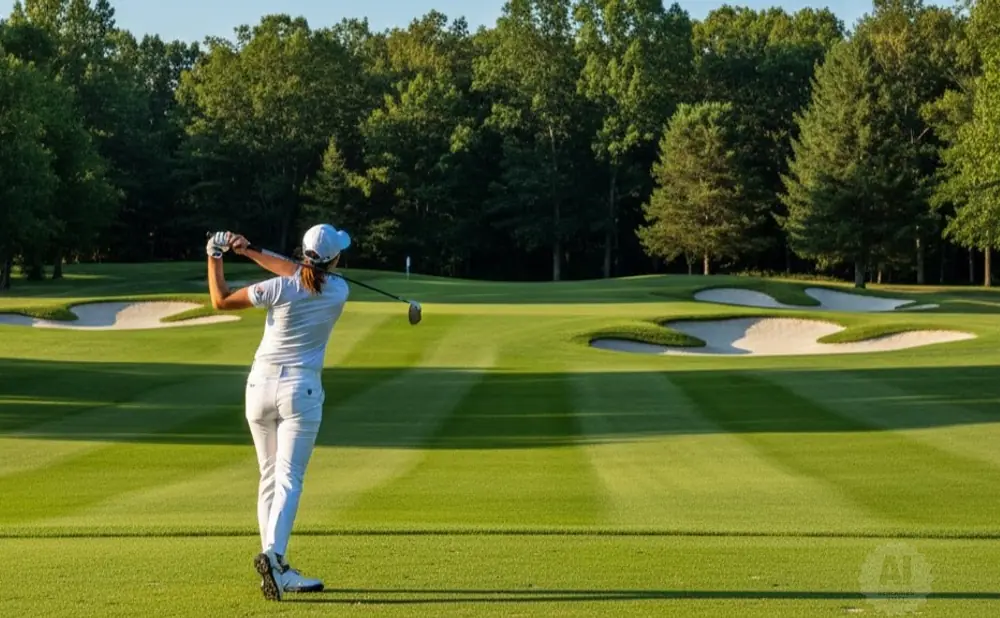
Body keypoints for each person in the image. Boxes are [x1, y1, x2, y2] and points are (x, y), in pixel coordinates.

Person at [205, 224, 352, 602]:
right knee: (289, 479)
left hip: (258, 388)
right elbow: (292, 270)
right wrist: (250, 248)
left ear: (304, 254)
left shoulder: (278, 288)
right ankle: (275, 558)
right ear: (334, 259)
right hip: (299, 392)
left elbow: (220, 300)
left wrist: (218, 255)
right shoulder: (339, 291)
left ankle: (276, 564)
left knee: (268, 476)